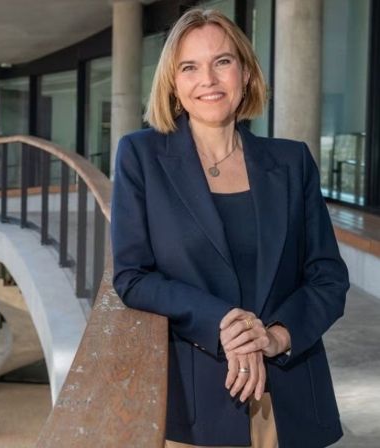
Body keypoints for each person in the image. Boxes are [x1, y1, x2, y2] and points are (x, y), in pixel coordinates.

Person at [110, 8, 349, 448]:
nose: (208, 79)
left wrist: (276, 336)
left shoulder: (292, 161)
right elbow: (132, 276)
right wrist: (222, 322)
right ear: (173, 84)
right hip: (200, 404)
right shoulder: (140, 157)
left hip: (291, 396)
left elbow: (328, 277)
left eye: (222, 61)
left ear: (246, 73)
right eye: (189, 67)